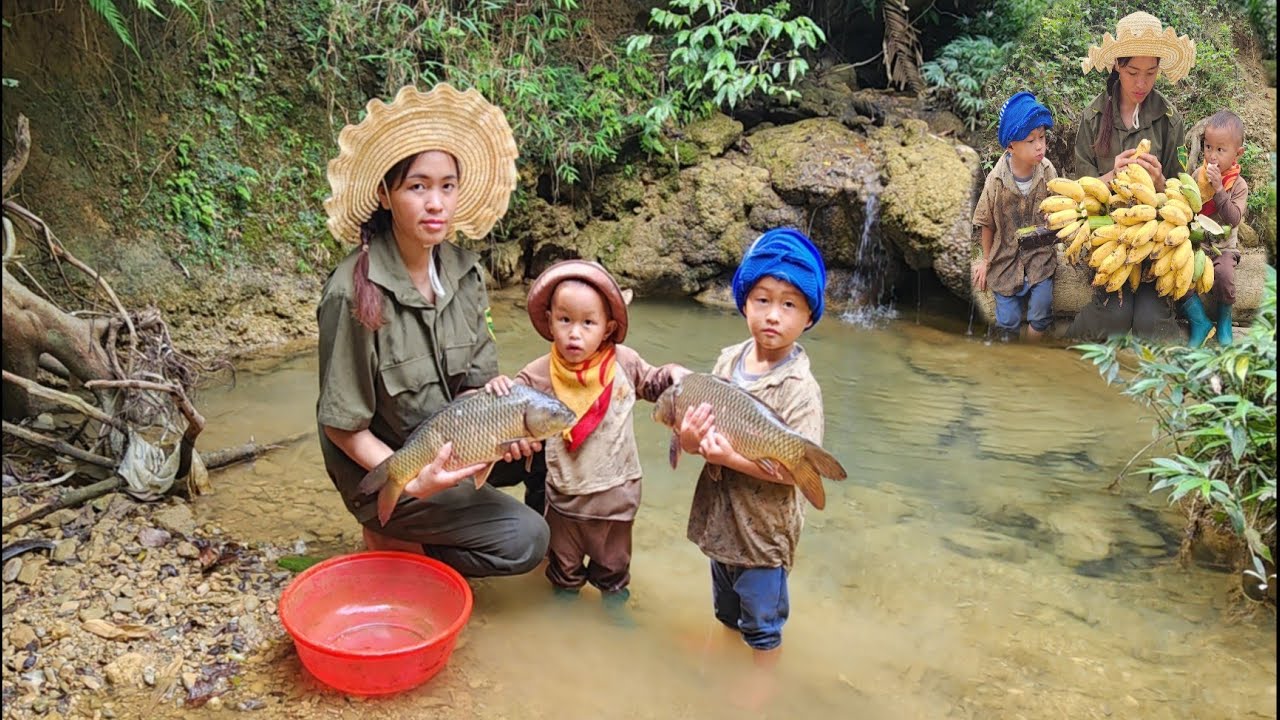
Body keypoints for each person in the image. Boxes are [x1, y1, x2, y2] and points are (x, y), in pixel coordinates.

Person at [315, 83, 549, 578]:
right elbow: (341, 424)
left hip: (453, 439)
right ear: (385, 194)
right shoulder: (352, 292)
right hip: (386, 466)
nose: (436, 203)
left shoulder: (465, 273)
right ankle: (393, 536)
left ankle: (558, 571)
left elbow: (474, 387)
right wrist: (415, 479)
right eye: (417, 187)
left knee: (549, 445)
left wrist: (510, 428)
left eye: (447, 186)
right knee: (525, 540)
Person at [484, 260, 687, 623]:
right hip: (564, 494)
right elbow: (510, 414)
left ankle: (614, 607)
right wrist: (498, 389)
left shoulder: (624, 362)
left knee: (613, 564)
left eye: (588, 323)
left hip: (616, 492)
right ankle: (564, 612)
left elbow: (654, 384)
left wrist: (672, 374)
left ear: (608, 328)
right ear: (549, 322)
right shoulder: (537, 373)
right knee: (564, 566)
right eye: (565, 320)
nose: (574, 334)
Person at [677, 228, 829, 707]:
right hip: (722, 520)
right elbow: (697, 426)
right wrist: (689, 440)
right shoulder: (727, 361)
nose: (772, 314)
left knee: (763, 622)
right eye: (762, 299)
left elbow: (791, 472)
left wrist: (731, 457)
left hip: (764, 533)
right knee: (726, 607)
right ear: (744, 303)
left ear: (808, 317)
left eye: (789, 304)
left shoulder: (801, 389)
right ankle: (724, 650)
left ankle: (762, 679)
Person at [1068, 11, 1196, 341]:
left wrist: (1158, 185)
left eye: (1151, 73)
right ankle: (1061, 356)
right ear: (1116, 67)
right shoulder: (1094, 116)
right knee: (1114, 315)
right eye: (1132, 72)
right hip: (1108, 239)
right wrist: (1109, 176)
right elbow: (1078, 191)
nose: (1141, 83)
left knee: (1151, 321)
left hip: (1155, 241)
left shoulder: (1169, 119)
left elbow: (1184, 196)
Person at [972, 92, 1058, 342]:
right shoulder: (997, 180)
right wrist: (986, 260)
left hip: (1040, 259)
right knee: (1007, 323)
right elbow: (987, 223)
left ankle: (1032, 351)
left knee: (1041, 310)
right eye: (1031, 140)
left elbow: (1059, 207)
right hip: (1005, 261)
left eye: (1042, 137)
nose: (1039, 145)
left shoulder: (1047, 171)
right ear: (1011, 146)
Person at [1181, 110, 1249, 346]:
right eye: (1208, 147)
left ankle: (1224, 321)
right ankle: (1198, 320)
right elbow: (1185, 208)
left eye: (1220, 150)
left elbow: (1233, 219)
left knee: (1225, 276)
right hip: (1196, 245)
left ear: (1237, 154)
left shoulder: (1238, 185)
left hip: (1223, 248)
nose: (1212, 155)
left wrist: (1219, 190)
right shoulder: (1196, 175)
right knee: (1178, 274)